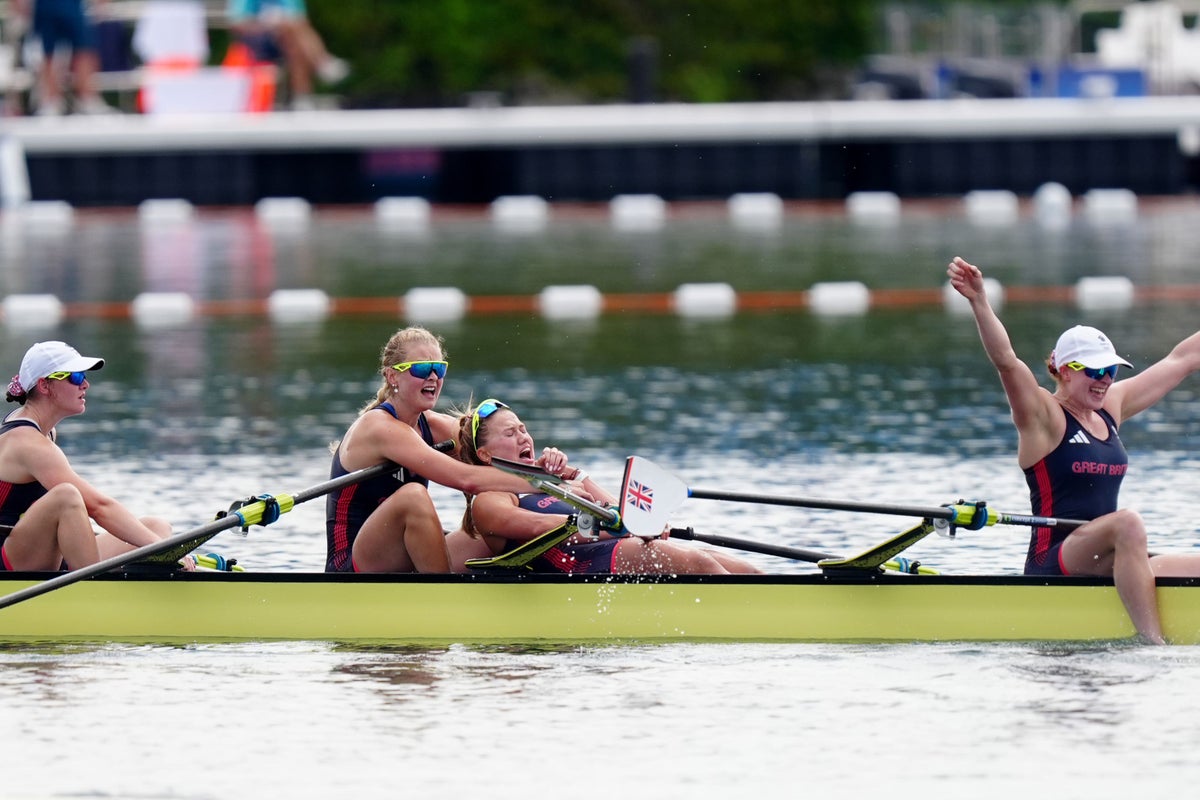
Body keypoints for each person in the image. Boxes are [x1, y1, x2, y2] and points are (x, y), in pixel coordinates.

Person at [947, 256, 1200, 644]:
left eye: (1111, 372)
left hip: (1110, 555)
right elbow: (1005, 361)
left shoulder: (1111, 407)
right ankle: (1153, 646)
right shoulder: (1043, 417)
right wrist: (980, 301)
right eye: (1094, 372)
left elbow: (1182, 359)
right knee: (1129, 522)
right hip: (1055, 559)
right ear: (1066, 370)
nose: (1104, 381)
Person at [446, 397, 762, 575]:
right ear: (486, 454)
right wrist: (621, 526)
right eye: (510, 433)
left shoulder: (557, 485)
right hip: (584, 566)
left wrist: (577, 476)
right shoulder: (489, 500)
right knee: (701, 562)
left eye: (524, 429)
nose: (524, 437)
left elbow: (621, 510)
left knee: (738, 566)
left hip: (613, 548)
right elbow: (541, 527)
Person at [325, 327, 534, 574]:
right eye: (422, 369)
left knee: (492, 536)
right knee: (413, 496)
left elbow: (496, 452)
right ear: (393, 376)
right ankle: (444, 597)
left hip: (401, 555)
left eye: (439, 368)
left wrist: (555, 471)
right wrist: (536, 482)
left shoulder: (430, 424)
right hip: (351, 566)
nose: (433, 376)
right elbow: (465, 478)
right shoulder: (377, 427)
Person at [0, 341, 189, 571]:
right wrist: (163, 548)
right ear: (44, 385)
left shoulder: (44, 430)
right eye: (76, 377)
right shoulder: (28, 444)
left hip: (39, 549)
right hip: (8, 560)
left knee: (156, 527)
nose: (86, 384)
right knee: (67, 497)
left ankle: (141, 579)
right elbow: (99, 507)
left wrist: (159, 544)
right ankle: (95, 592)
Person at [226, 0, 349, 111]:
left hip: (286, 41)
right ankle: (321, 64)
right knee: (293, 32)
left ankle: (303, 100)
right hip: (256, 41)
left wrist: (280, 24)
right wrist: (267, 24)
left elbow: (300, 20)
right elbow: (237, 24)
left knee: (295, 47)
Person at [15, 0, 117, 116]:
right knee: (47, 51)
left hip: (74, 4)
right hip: (44, 5)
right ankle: (51, 101)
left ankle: (88, 98)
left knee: (84, 48)